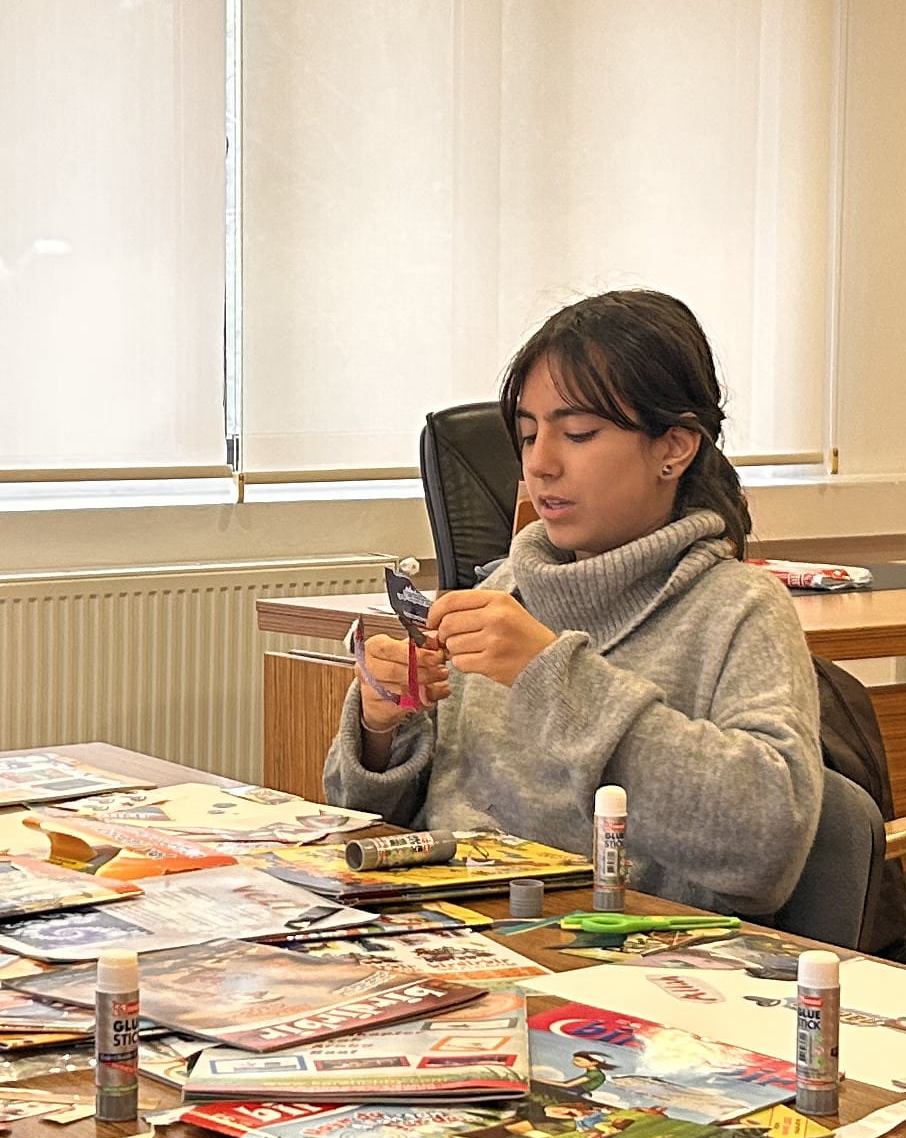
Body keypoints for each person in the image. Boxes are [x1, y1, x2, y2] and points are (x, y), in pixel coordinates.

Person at [328, 289, 823, 916]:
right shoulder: (499, 592)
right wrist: (382, 728)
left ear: (674, 447)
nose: (541, 464)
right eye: (528, 435)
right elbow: (365, 828)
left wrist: (551, 677)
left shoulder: (739, 609)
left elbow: (767, 848)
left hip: (626, 953)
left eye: (579, 434)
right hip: (450, 934)